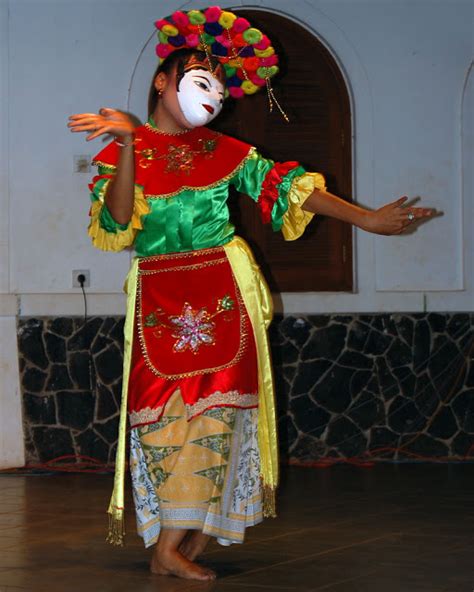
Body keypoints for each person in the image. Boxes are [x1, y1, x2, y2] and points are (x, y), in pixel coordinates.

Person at [68, 7, 433, 582]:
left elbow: (289, 187)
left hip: (220, 288)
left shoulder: (224, 151)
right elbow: (117, 224)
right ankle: (172, 541)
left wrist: (365, 220)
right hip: (160, 295)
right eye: (196, 76)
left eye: (217, 85)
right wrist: (131, 142)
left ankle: (170, 547)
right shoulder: (122, 152)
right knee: (164, 420)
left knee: (219, 417)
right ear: (162, 81)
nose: (209, 92)